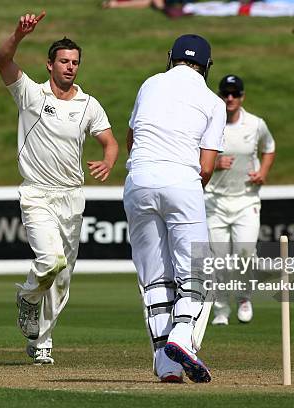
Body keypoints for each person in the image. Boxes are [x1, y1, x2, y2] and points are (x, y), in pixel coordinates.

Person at [0, 11, 118, 365]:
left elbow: (109, 141)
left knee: (62, 280)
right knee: (49, 262)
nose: (70, 67)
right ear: (49, 65)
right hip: (37, 193)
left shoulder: (88, 104)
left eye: (75, 62)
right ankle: (28, 297)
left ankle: (42, 342)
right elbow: (1, 59)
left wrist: (108, 161)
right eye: (63, 61)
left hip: (72, 197)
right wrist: (18, 34)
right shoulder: (30, 94)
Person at [123, 34, 226, 383]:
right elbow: (207, 166)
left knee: (155, 278)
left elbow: (132, 137)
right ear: (207, 66)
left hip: (138, 180)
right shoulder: (214, 102)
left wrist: (145, 172)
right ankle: (182, 337)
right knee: (197, 273)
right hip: (182, 181)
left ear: (171, 58)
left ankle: (166, 366)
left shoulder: (149, 84)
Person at [205, 75, 276, 326]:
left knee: (246, 254)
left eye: (235, 94)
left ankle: (244, 298)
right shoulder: (210, 124)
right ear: (220, 95)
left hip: (246, 200)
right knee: (219, 258)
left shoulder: (256, 124)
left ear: (242, 96)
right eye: (226, 93)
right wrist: (215, 163)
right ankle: (221, 309)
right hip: (215, 201)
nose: (230, 98)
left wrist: (263, 173)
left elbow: (269, 147)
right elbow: (193, 155)